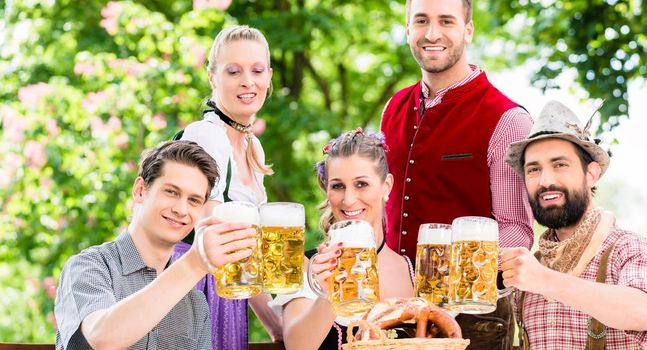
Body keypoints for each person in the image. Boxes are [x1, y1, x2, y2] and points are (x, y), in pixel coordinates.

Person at [380, 0, 534, 347]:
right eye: (421, 21)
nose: (432, 33)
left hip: (473, 320)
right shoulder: (393, 108)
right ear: (408, 30)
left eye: (446, 21)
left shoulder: (508, 119)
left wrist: (453, 280)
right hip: (394, 313)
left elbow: (518, 230)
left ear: (468, 30)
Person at [54, 140, 258, 349]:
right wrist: (195, 263)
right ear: (140, 190)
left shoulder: (195, 304)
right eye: (171, 192)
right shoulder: (90, 266)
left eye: (194, 200)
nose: (181, 209)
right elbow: (102, 338)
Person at [500, 101, 647, 349]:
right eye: (534, 169)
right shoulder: (531, 269)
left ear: (591, 174)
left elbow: (643, 313)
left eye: (560, 164)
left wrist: (545, 280)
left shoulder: (630, 249)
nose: (546, 180)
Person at [170, 25, 282, 348]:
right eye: (234, 71)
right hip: (193, 291)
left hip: (229, 296)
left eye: (257, 70)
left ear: (269, 76)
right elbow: (218, 243)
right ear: (212, 77)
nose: (248, 81)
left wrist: (278, 327)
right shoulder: (206, 136)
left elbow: (249, 258)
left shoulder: (253, 147)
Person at [273, 128, 415, 350]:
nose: (348, 200)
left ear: (386, 186)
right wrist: (329, 293)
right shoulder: (306, 264)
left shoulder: (413, 272)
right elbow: (297, 346)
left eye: (361, 184)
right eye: (338, 186)